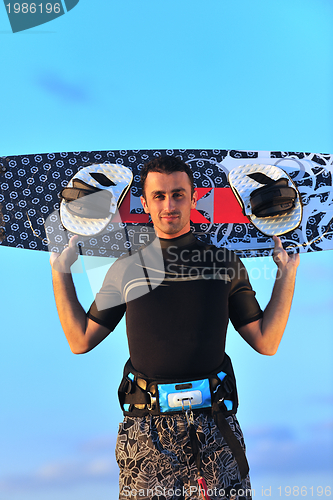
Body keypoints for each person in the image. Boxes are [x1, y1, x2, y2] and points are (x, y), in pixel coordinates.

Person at [50, 156, 299, 500]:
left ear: (194, 199)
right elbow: (80, 339)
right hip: (146, 432)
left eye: (179, 194)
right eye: (160, 196)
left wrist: (287, 275)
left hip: (214, 430)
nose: (169, 204)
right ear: (146, 203)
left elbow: (266, 340)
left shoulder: (224, 263)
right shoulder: (127, 269)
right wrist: (60, 272)